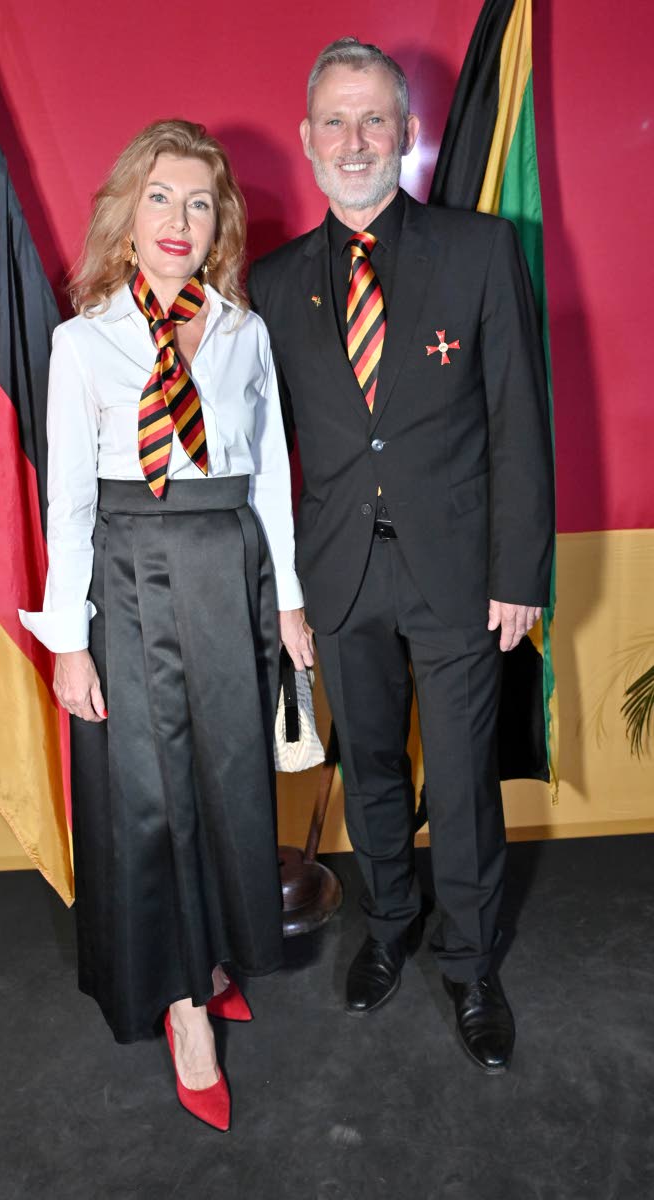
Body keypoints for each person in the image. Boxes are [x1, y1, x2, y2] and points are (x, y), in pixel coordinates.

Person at [249, 39, 554, 1073]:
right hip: (338, 578)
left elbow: (520, 421)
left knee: (464, 780)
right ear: (306, 140)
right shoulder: (273, 281)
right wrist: (280, 591)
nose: (354, 140)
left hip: (463, 575)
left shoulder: (479, 251)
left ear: (407, 133)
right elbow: (257, 455)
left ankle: (473, 965)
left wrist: (520, 575)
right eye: (334, 120)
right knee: (372, 770)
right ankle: (389, 931)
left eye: (374, 118)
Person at [20, 119, 312, 1131]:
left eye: (200, 201)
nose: (180, 220)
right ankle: (186, 1010)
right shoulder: (82, 340)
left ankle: (214, 950)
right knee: (151, 802)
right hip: (130, 575)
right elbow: (67, 503)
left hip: (230, 571)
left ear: (219, 219)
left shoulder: (245, 331)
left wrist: (289, 599)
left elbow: (270, 472)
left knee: (226, 785)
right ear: (127, 214)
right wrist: (66, 642)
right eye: (161, 198)